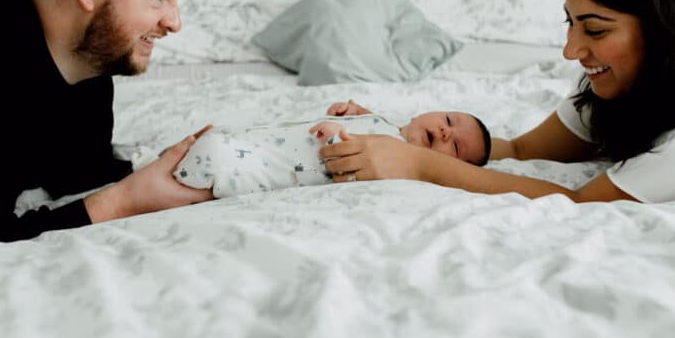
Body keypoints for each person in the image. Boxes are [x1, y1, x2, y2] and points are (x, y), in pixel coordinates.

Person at [319, 0, 675, 204]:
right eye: (569, 22)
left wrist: (418, 165)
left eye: (594, 31)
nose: (570, 51)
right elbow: (519, 150)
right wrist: (394, 134)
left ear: (667, 31)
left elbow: (580, 201)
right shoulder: (611, 82)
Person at [0, 0, 213, 246]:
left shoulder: (89, 54)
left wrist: (159, 165)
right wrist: (124, 201)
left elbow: (76, 171)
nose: (174, 22)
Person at [172, 100, 491, 197]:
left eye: (457, 147)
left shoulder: (397, 159)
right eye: (449, 119)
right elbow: (377, 125)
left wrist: (339, 135)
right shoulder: (391, 127)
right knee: (219, 137)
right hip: (269, 142)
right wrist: (358, 113)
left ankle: (172, 189)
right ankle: (165, 167)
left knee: (220, 162)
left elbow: (354, 168)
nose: (445, 131)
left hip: (281, 168)